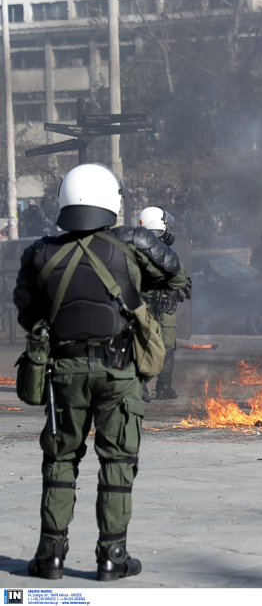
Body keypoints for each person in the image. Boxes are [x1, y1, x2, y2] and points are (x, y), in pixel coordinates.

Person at [14, 164, 187, 581]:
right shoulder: (128, 248)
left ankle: (50, 555)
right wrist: (136, 238)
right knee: (118, 462)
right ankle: (112, 556)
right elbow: (174, 274)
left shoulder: (39, 253)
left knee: (60, 461)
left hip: (65, 371)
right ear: (111, 201)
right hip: (117, 372)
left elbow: (26, 312)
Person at [138, 206, 191, 402]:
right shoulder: (164, 253)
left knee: (154, 346)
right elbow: (180, 281)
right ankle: (143, 382)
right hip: (162, 309)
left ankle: (163, 387)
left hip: (142, 309)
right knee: (166, 348)